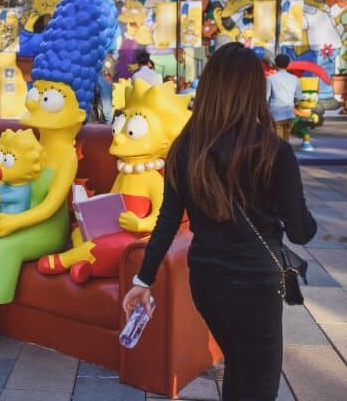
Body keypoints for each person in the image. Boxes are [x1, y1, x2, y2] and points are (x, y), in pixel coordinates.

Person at [122, 43, 316, 401]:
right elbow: (302, 231)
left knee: (240, 368)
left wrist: (143, 280)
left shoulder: (185, 149)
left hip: (208, 284)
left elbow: (167, 221)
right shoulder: (274, 151)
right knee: (257, 385)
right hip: (256, 286)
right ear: (253, 91)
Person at [266, 53, 302, 141]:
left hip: (275, 115)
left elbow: (265, 98)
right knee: (286, 141)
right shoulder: (295, 79)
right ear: (288, 64)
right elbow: (299, 97)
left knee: (277, 142)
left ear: (275, 64)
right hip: (289, 115)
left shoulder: (270, 79)